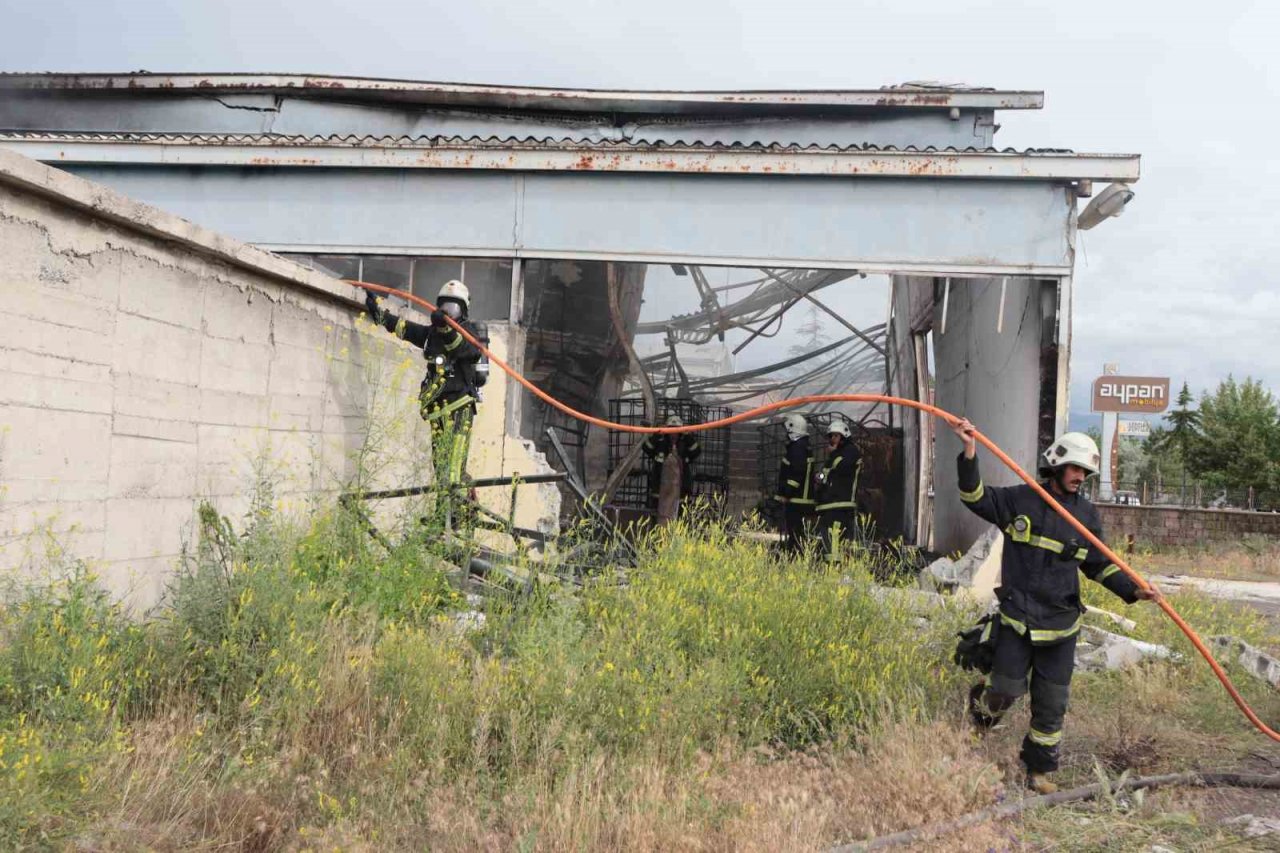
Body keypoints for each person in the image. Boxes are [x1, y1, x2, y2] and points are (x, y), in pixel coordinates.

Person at [951, 418, 1159, 795]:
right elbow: (975, 497)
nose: (1081, 476)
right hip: (1017, 619)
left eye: (1086, 471)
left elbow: (1100, 563)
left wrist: (1134, 590)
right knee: (1005, 692)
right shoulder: (1020, 498)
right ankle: (978, 720)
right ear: (1057, 465)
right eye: (1076, 468)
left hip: (1061, 625)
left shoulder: (1086, 516)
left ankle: (1038, 772)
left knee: (1051, 704)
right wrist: (969, 453)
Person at [364, 280, 484, 494]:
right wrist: (378, 313)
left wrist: (446, 327)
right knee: (441, 467)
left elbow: (462, 347)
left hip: (459, 407)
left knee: (454, 470)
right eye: (445, 307)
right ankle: (447, 515)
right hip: (437, 409)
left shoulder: (470, 333)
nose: (448, 312)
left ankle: (455, 518)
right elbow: (404, 329)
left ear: (463, 311)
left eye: (453, 308)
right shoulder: (431, 334)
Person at [814, 417, 862, 559]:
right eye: (831, 436)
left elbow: (840, 469)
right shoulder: (836, 454)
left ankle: (834, 568)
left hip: (840, 504)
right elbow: (825, 474)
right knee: (829, 539)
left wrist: (832, 455)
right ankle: (832, 567)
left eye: (836, 435)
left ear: (844, 435)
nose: (833, 439)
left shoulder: (850, 452)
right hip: (830, 504)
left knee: (835, 539)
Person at [642, 413, 702, 520]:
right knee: (657, 515)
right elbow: (646, 448)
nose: (673, 433)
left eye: (676, 430)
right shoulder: (661, 442)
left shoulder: (684, 442)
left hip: (681, 487)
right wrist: (657, 434)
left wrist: (687, 436)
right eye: (671, 429)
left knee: (680, 516)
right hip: (659, 487)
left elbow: (697, 451)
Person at [774, 413, 817, 553]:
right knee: (797, 534)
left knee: (795, 534)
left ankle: (794, 557)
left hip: (797, 501)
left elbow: (796, 473)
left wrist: (786, 492)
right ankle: (795, 556)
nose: (786, 434)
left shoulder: (797, 448)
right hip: (801, 500)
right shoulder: (803, 446)